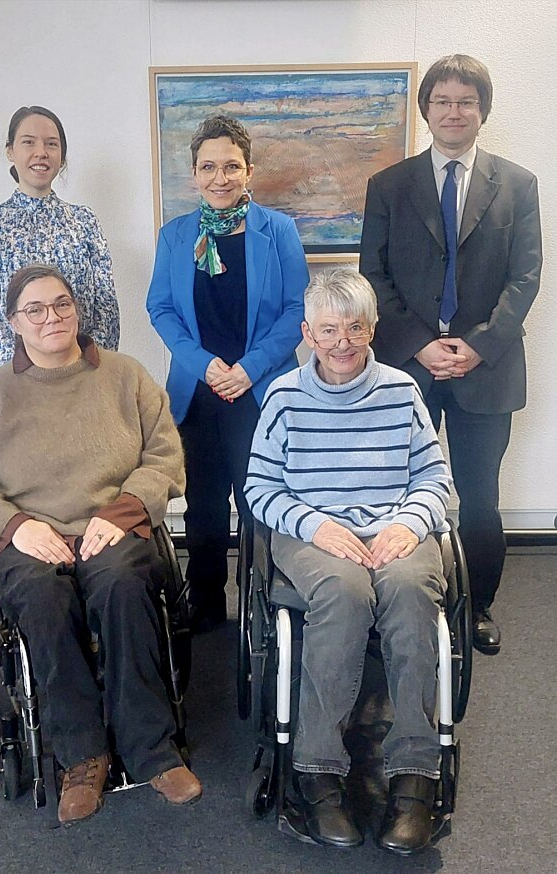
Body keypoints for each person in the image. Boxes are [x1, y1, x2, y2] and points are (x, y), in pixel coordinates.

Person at [0, 264, 201, 824]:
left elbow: (164, 455)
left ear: (77, 309)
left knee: (125, 584)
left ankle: (150, 747)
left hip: (113, 526)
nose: (51, 317)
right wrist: (15, 528)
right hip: (32, 535)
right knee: (42, 599)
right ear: (14, 322)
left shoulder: (126, 377)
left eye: (61, 305)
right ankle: (81, 756)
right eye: (35, 310)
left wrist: (125, 509)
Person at [245, 268, 451, 855]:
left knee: (410, 594)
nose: (341, 342)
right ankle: (318, 770)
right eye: (328, 330)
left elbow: (435, 478)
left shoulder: (401, 390)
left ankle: (415, 775)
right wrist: (316, 525)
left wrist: (409, 524)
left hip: (395, 528)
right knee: (346, 593)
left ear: (373, 328)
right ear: (307, 332)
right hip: (313, 533)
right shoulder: (284, 396)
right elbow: (260, 489)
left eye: (354, 328)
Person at [359, 55, 542, 655]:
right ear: (426, 111)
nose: (454, 111)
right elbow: (374, 275)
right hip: (408, 366)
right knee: (395, 489)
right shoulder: (389, 185)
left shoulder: (518, 185)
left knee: (480, 498)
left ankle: (479, 606)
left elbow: (526, 278)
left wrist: (478, 345)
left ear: (482, 111)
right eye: (442, 101)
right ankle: (397, 598)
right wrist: (421, 344)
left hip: (485, 371)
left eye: (466, 101)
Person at [147, 114, 309, 633]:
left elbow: (294, 311)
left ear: (249, 171)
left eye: (231, 166)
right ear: (194, 174)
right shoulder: (176, 236)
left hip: (260, 390)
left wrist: (248, 368)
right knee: (204, 508)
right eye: (209, 167)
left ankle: (264, 600)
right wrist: (204, 364)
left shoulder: (278, 230)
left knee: (260, 502)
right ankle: (208, 602)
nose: (221, 177)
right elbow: (161, 308)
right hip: (197, 392)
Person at [0, 105, 120, 374]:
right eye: (29, 142)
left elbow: (105, 309)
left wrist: (89, 371)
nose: (41, 152)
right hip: (19, 384)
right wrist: (21, 379)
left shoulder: (84, 221)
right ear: (10, 151)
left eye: (51, 144)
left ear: (61, 157)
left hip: (83, 377)